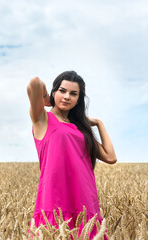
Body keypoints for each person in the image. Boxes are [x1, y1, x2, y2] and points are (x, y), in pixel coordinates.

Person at [27, 70, 117, 239]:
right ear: (54, 92)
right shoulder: (42, 119)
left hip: (84, 197)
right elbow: (35, 82)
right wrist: (48, 100)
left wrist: (98, 123)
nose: (67, 96)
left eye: (73, 94)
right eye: (62, 91)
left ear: (78, 100)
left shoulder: (80, 129)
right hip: (54, 196)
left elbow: (110, 157)